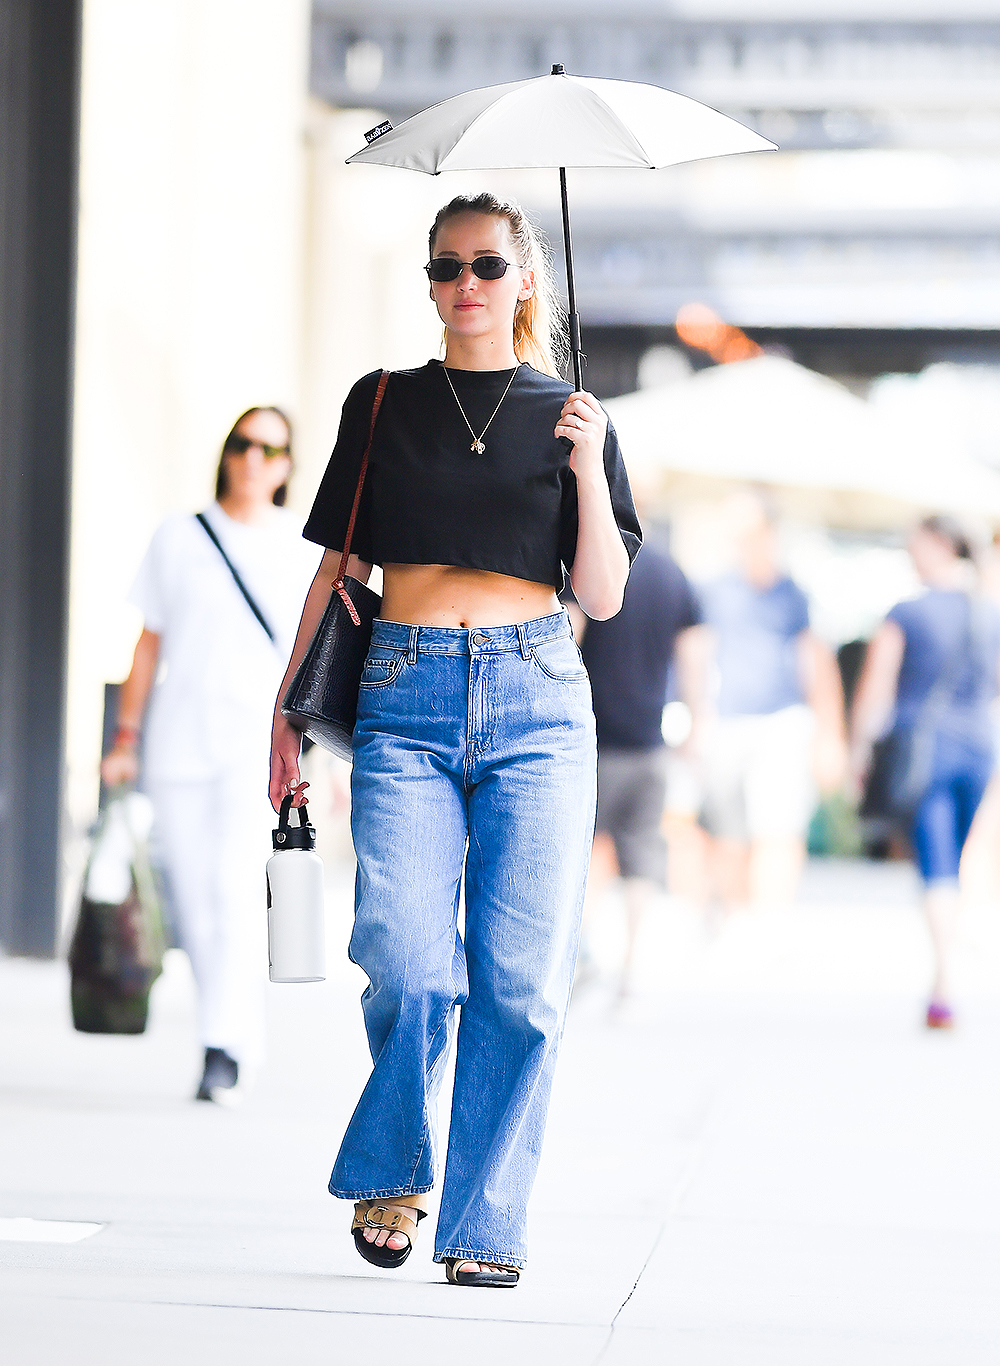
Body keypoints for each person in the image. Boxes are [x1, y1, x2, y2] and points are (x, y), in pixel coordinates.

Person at [269, 192, 640, 1287]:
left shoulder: (573, 414)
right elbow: (338, 569)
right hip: (404, 695)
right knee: (406, 959)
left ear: (526, 279)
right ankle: (395, 1159)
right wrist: (287, 713)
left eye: (486, 266)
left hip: (537, 699)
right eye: (444, 268)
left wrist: (587, 462)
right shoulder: (380, 404)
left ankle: (484, 1224)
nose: (464, 286)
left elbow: (604, 598)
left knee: (522, 984)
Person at [101, 408, 320, 1100]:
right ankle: (227, 1033)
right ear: (228, 453)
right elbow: (148, 641)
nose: (254, 458)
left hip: (254, 746)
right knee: (193, 903)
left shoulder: (297, 546)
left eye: (270, 449)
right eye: (244, 444)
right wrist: (126, 738)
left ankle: (221, 1046)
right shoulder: (179, 536)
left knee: (231, 890)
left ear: (286, 466)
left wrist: (318, 754)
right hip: (177, 742)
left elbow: (313, 653)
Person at [850, 515, 1000, 1030]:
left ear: (939, 546)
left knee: (936, 861)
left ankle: (944, 981)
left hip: (925, 748)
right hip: (981, 747)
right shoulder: (990, 613)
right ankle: (953, 961)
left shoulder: (908, 612)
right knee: (958, 858)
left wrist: (859, 754)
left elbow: (876, 691)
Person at [689, 490, 845, 911]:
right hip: (727, 722)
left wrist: (830, 736)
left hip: (783, 723)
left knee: (778, 829)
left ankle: (770, 921)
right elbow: (697, 656)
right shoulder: (714, 589)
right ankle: (737, 916)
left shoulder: (793, 593)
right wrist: (695, 717)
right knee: (728, 832)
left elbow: (816, 663)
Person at [569, 537, 701, 997]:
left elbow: (569, 636)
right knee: (641, 854)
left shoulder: (586, 563)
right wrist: (698, 721)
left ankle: (580, 953)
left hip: (595, 736)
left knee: (585, 850)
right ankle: (631, 967)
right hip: (650, 739)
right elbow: (694, 652)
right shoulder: (672, 571)